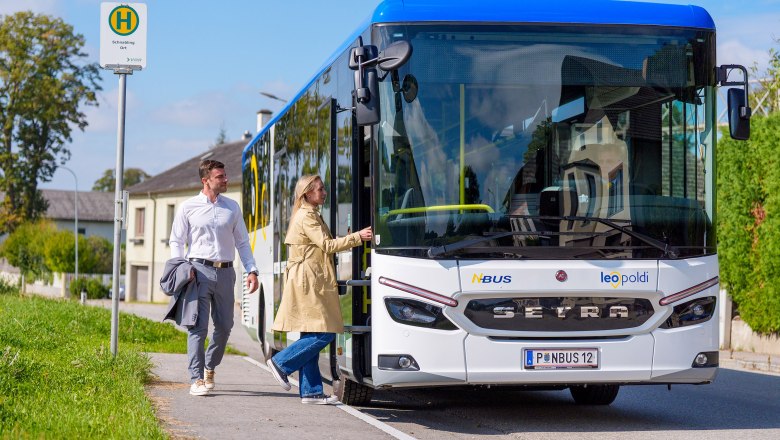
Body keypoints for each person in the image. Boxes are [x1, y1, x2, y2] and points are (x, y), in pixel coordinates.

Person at [266, 174, 372, 405]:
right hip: (309, 281)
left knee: (310, 333)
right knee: (325, 331)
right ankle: (281, 363)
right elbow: (328, 245)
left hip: (309, 279)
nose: (324, 193)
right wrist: (358, 237)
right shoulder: (307, 217)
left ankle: (311, 391)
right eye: (320, 189)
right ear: (308, 193)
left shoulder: (310, 214)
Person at [169, 159, 259, 396]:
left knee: (225, 326)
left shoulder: (232, 207)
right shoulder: (188, 207)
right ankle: (196, 378)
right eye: (220, 177)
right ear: (205, 181)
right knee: (198, 328)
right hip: (198, 272)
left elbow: (242, 242)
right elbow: (176, 241)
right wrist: (181, 268)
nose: (225, 179)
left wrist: (251, 270)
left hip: (227, 272)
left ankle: (210, 366)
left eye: (225, 175)